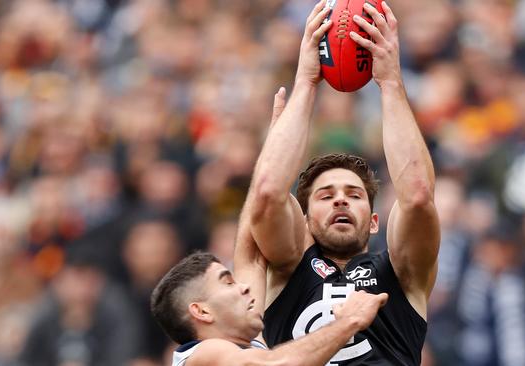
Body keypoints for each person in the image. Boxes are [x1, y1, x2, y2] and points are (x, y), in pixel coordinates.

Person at [246, 0, 439, 364]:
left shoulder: (401, 273)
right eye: (325, 195)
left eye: (353, 194)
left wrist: (390, 84)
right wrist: (305, 81)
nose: (340, 201)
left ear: (375, 219)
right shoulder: (286, 271)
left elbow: (417, 196)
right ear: (302, 220)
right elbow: (269, 190)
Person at [150, 252, 388, 366]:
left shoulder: (249, 347)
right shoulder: (204, 354)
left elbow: (251, 252)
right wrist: (348, 322)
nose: (244, 287)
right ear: (202, 312)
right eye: (228, 282)